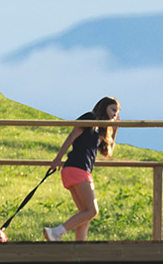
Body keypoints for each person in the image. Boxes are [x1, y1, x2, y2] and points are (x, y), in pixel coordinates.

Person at [42, 96, 119, 241]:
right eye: (113, 110)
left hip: (76, 170)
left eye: (117, 112)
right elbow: (72, 136)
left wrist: (114, 130)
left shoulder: (100, 129)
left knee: (85, 215)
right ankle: (56, 232)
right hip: (77, 168)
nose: (115, 114)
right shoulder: (90, 118)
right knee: (92, 211)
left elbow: (107, 152)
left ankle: (79, 247)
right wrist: (58, 158)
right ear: (104, 107)